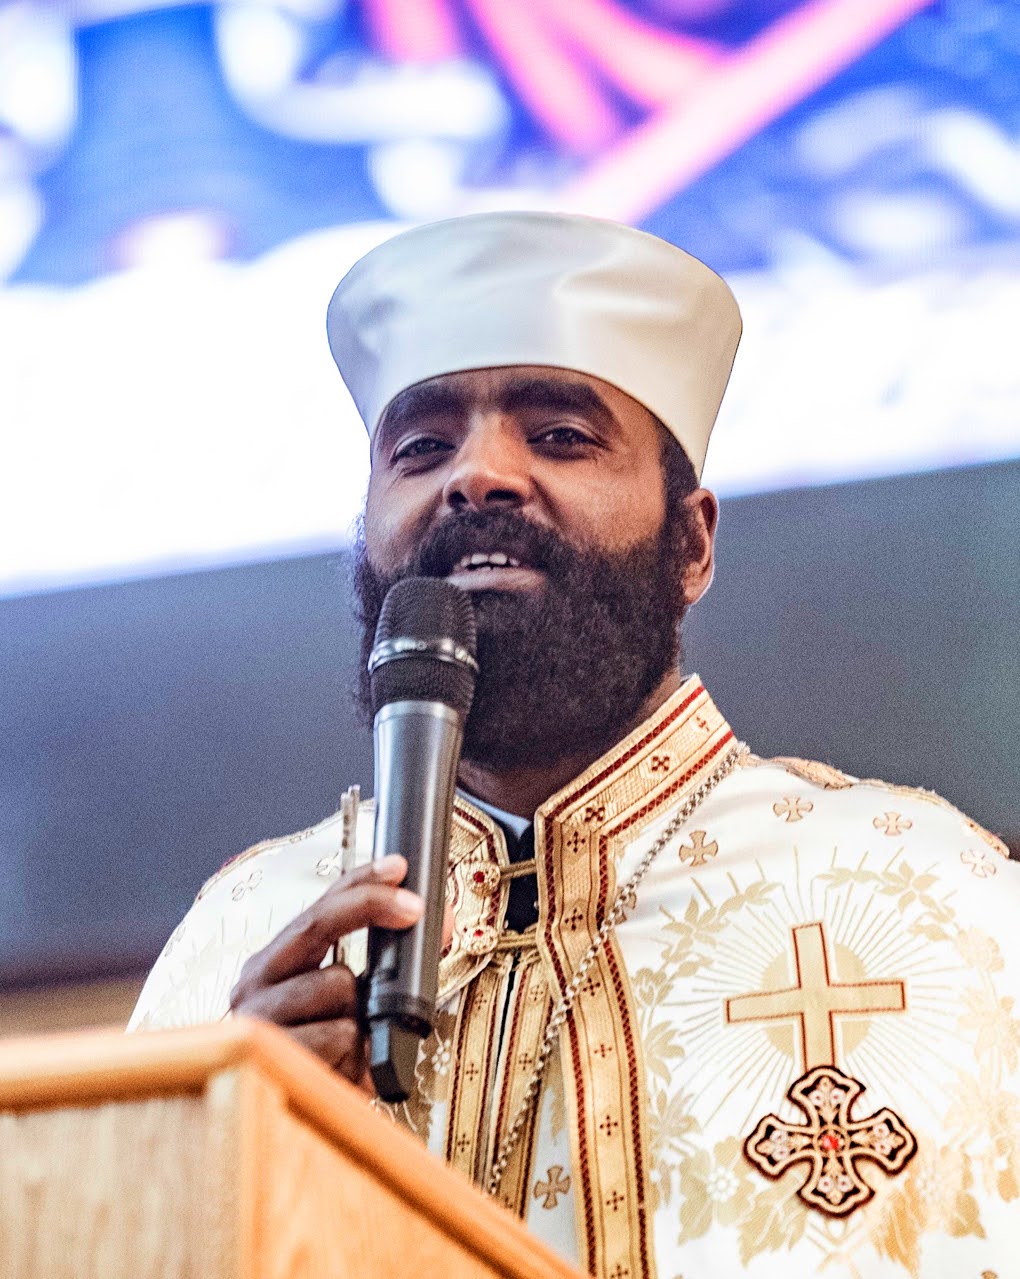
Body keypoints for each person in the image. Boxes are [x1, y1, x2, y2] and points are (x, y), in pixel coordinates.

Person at [130, 212, 1020, 1278]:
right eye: (422, 449)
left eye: (559, 435)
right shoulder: (236, 939)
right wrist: (217, 1166)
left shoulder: (944, 904)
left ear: (690, 542)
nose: (477, 476)